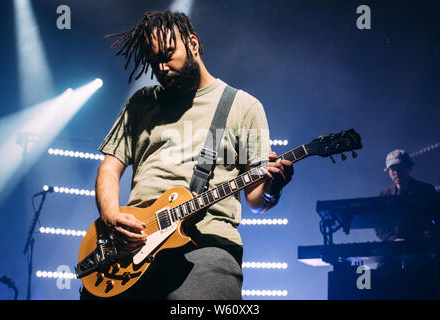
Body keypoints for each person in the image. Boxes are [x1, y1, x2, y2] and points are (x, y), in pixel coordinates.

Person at [80, 10, 294, 300]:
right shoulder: (143, 102)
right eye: (154, 61)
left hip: (205, 247)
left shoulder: (243, 106)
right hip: (131, 248)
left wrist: (273, 189)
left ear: (193, 43)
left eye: (168, 54)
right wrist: (111, 216)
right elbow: (109, 168)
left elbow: (255, 200)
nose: (162, 67)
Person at [374, 149, 438, 270]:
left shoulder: (426, 191)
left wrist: (424, 242)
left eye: (400, 168)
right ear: (388, 172)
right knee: (382, 274)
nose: (396, 172)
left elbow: (435, 220)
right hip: (393, 249)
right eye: (393, 169)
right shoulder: (383, 196)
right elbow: (379, 227)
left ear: (409, 168)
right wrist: (393, 240)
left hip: (423, 248)